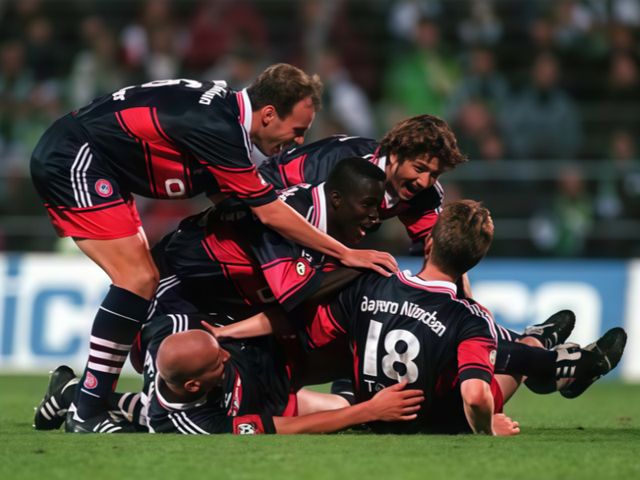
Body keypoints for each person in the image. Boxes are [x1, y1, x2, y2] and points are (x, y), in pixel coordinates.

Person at [30, 63, 397, 432]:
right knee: (138, 279)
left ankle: (76, 396)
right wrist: (344, 253)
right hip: (76, 156)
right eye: (297, 130)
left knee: (143, 278)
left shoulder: (223, 115)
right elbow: (269, 212)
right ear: (269, 115)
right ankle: (87, 411)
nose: (299, 141)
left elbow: (232, 200)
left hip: (93, 159)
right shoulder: (221, 129)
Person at [213, 201, 626, 434]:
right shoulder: (469, 316)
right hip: (439, 420)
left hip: (368, 404)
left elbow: (301, 322)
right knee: (504, 354)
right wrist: (487, 430)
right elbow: (475, 397)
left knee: (322, 389)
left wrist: (229, 330)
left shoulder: (370, 284)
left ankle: (555, 357)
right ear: (475, 263)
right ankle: (554, 357)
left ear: (427, 243)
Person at [34, 313, 425, 435]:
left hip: (271, 363)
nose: (225, 355)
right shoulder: (197, 424)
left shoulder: (174, 332)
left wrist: (229, 331)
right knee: (346, 408)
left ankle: (72, 393)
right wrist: (369, 411)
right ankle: (71, 394)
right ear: (194, 384)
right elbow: (282, 428)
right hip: (270, 401)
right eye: (218, 362)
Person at [148, 157, 386, 323]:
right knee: (195, 360)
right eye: (368, 204)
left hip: (224, 303)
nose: (376, 217)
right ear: (336, 198)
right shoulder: (292, 214)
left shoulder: (321, 223)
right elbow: (295, 294)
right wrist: (358, 266)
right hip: (178, 284)